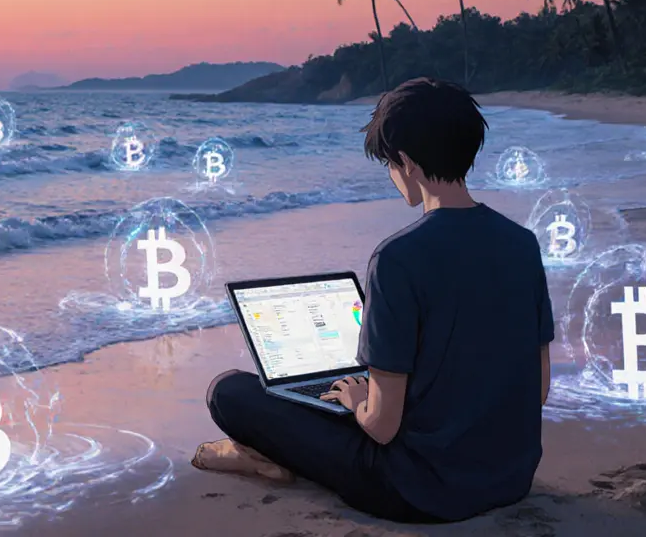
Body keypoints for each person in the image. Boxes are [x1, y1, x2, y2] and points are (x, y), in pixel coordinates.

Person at [193, 77, 554, 523]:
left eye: (389, 163)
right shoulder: (522, 244)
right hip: (509, 478)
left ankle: (261, 456)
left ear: (406, 161)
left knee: (230, 391)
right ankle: (270, 452)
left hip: (417, 491)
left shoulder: (398, 258)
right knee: (351, 396)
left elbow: (382, 428)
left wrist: (357, 403)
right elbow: (537, 391)